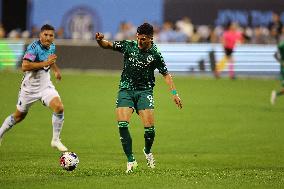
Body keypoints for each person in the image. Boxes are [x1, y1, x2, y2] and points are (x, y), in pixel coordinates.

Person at [95, 23, 182, 173]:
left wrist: (174, 94)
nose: (140, 42)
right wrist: (99, 41)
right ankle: (131, 160)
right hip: (126, 91)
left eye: (144, 39)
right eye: (138, 38)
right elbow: (107, 45)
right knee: (122, 124)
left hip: (144, 92)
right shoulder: (129, 45)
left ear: (151, 39)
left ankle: (147, 151)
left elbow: (166, 74)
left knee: (150, 130)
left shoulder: (155, 54)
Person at [0, 24, 68, 152]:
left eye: (51, 35)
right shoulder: (33, 48)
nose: (48, 38)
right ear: (40, 35)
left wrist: (56, 71)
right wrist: (45, 63)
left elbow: (50, 60)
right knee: (19, 116)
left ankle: (56, 140)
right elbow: (25, 66)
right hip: (29, 89)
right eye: (45, 35)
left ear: (53, 37)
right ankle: (1, 133)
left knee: (59, 107)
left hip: (45, 86)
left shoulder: (52, 46)